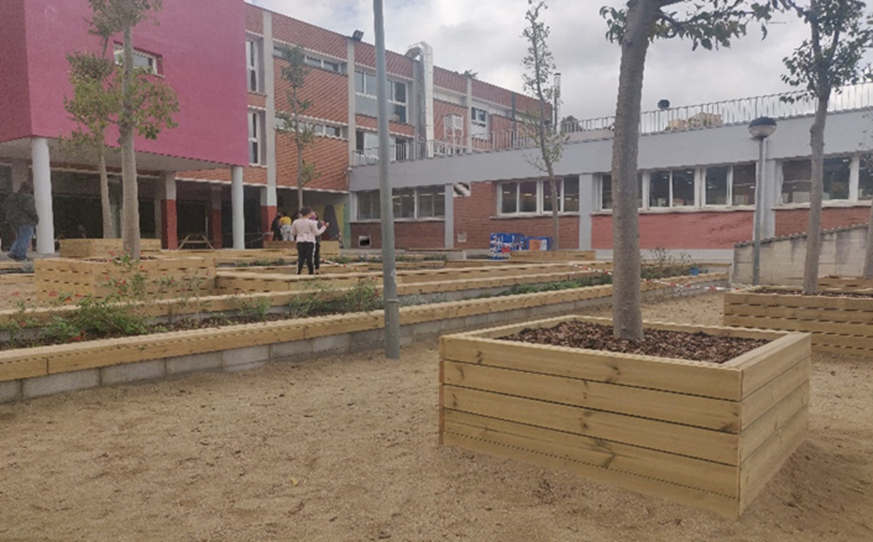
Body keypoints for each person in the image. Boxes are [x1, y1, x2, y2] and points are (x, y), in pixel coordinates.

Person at [289, 206, 327, 275]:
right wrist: (324, 227)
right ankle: (311, 272)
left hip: (300, 241)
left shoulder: (296, 222)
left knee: (301, 257)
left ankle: (298, 272)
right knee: (310, 258)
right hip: (310, 241)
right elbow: (317, 233)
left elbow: (293, 233)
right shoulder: (312, 223)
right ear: (309, 213)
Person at [6, 182, 38, 262]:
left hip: (13, 220)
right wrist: (35, 217)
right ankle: (21, 255)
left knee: (20, 237)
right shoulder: (28, 198)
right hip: (25, 220)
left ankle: (13, 252)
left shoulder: (12, 197)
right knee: (26, 237)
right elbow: (30, 209)